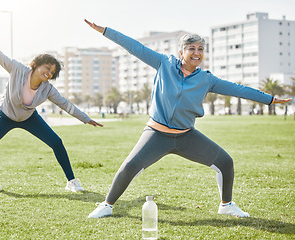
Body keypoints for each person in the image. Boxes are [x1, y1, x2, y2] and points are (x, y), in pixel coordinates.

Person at [85, 19, 292, 218]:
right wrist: (105, 31)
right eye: (191, 48)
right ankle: (107, 205)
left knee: (225, 162)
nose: (196, 53)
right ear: (181, 52)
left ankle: (226, 206)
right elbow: (134, 46)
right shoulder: (163, 63)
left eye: (200, 49)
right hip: (156, 134)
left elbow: (237, 89)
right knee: (129, 167)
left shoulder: (206, 79)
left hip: (186, 136)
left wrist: (269, 99)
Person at [0, 16, 103, 193]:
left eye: (52, 72)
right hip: (5, 115)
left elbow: (66, 105)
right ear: (37, 65)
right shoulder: (17, 69)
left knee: (56, 142)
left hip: (29, 118)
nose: (48, 73)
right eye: (47, 68)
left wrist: (86, 119)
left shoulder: (47, 89)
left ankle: (72, 181)